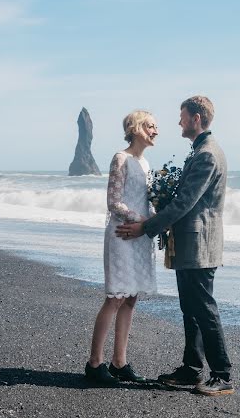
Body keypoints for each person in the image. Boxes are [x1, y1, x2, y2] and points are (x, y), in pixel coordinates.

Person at [116, 96, 234, 396]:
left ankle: (222, 375)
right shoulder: (200, 151)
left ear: (196, 118)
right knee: (190, 309)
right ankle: (191, 369)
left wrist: (147, 227)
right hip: (189, 242)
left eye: (182, 117)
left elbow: (185, 202)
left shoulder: (207, 154)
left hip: (199, 243)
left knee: (203, 308)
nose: (179, 122)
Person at [85, 110, 158, 385]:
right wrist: (140, 220)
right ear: (136, 128)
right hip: (121, 233)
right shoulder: (121, 158)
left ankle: (119, 362)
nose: (156, 131)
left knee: (131, 298)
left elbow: (146, 201)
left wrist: (154, 222)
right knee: (115, 297)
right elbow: (113, 201)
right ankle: (94, 363)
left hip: (139, 237)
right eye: (151, 126)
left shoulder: (147, 163)